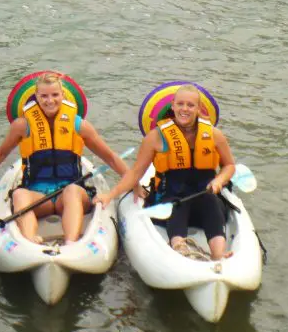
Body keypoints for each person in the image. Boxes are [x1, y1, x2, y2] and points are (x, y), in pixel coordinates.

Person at [0, 72, 141, 245]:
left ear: (63, 95)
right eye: (44, 96)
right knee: (18, 194)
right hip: (39, 196)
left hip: (71, 195)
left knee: (71, 190)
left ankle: (71, 243)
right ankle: (29, 240)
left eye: (55, 95)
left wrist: (134, 183)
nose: (50, 101)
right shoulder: (22, 126)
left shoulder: (78, 124)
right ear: (36, 97)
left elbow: (110, 157)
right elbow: (1, 153)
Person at [94, 84, 235, 261]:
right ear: (173, 106)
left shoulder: (214, 135)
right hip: (167, 202)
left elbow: (229, 165)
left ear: (199, 109)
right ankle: (179, 246)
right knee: (177, 204)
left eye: (190, 105)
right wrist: (110, 195)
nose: (185, 109)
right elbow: (135, 173)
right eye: (180, 104)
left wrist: (219, 180)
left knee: (210, 201)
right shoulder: (155, 137)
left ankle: (218, 254)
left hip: (205, 199)